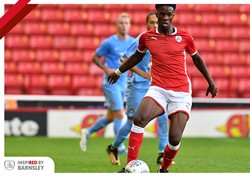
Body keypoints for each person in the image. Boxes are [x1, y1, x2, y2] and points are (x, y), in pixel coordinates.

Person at [108, 4, 217, 173]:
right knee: (139, 118)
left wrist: (210, 82)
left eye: (169, 14)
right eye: (162, 14)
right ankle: (129, 168)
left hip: (181, 92)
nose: (165, 17)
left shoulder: (184, 36)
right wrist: (118, 71)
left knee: (174, 138)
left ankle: (163, 169)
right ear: (157, 15)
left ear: (173, 15)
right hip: (158, 88)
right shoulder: (147, 37)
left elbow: (197, 59)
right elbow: (137, 56)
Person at [106, 12, 171, 166]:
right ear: (146, 24)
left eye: (157, 22)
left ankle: (162, 153)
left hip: (156, 86)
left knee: (163, 117)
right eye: (152, 22)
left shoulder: (165, 39)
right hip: (137, 85)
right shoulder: (143, 38)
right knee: (132, 122)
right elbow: (124, 58)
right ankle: (114, 147)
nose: (155, 25)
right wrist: (143, 73)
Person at [80, 13, 134, 153]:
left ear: (130, 25)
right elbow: (95, 58)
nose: (124, 26)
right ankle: (119, 147)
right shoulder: (109, 43)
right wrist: (106, 68)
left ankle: (87, 132)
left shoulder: (133, 42)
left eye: (126, 23)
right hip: (111, 82)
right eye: (121, 23)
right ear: (117, 26)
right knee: (120, 114)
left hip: (123, 83)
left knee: (111, 116)